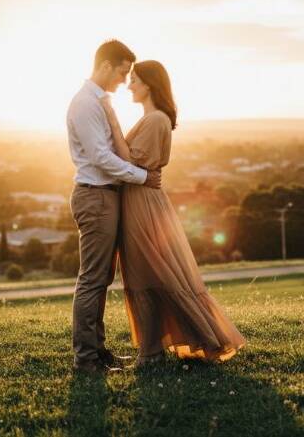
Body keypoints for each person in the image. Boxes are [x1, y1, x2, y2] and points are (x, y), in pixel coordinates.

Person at [100, 60, 245, 367]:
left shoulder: (155, 120)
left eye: (135, 80)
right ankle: (150, 350)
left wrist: (112, 126)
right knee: (143, 273)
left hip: (143, 201)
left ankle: (162, 349)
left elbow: (134, 164)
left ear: (150, 85)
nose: (129, 85)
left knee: (153, 272)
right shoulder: (152, 118)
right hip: (139, 197)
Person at [66, 39, 162, 374]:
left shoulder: (99, 101)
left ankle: (97, 351)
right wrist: (142, 176)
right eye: (122, 73)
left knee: (101, 278)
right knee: (93, 279)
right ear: (106, 65)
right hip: (95, 195)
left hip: (107, 195)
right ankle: (85, 359)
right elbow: (101, 157)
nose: (123, 81)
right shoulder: (85, 104)